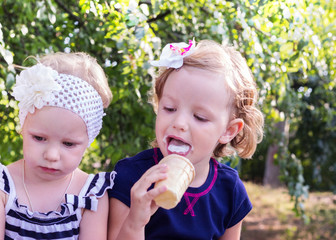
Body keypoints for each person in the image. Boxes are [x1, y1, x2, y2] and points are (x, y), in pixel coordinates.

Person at [108, 39, 264, 240]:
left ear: (229, 130)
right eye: (169, 109)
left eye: (200, 117)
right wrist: (135, 223)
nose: (179, 123)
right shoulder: (131, 177)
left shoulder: (230, 192)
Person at [0, 52, 116, 240]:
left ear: (88, 141)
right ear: (23, 127)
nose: (51, 155)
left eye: (68, 143)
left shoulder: (91, 195)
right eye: (39, 138)